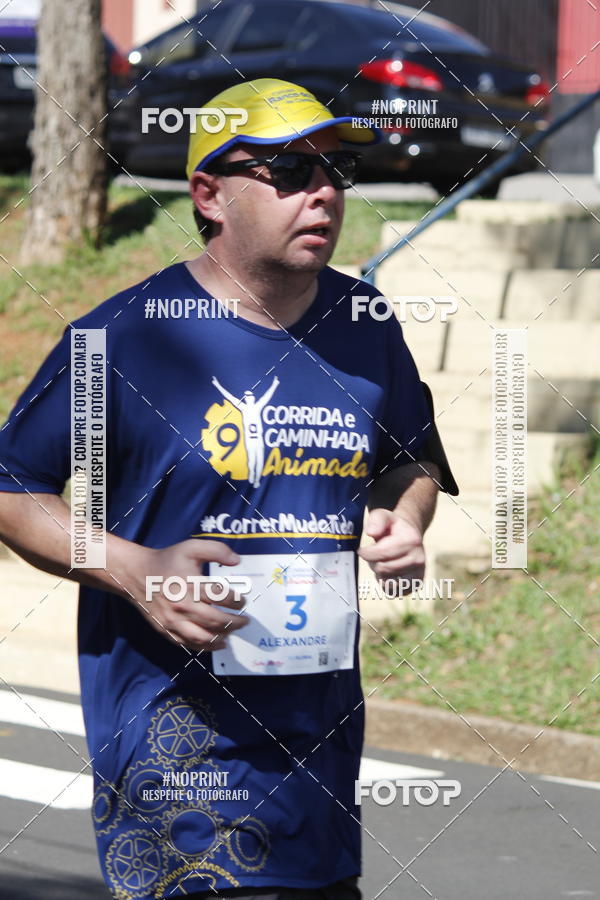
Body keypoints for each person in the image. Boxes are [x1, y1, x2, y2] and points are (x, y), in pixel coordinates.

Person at [0, 78, 457, 899]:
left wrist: (401, 513)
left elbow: (412, 459)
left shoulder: (367, 325)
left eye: (332, 172)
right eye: (288, 172)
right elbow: (10, 486)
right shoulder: (123, 337)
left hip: (317, 757)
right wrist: (131, 568)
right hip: (179, 763)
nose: (322, 191)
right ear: (208, 193)